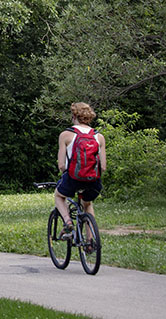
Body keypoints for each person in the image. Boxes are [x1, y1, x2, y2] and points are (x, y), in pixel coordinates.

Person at [55, 102, 107, 238]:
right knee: (87, 204)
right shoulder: (99, 136)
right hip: (93, 181)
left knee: (59, 196)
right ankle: (90, 240)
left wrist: (66, 175)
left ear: (73, 116)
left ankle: (67, 222)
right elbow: (103, 166)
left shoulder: (66, 135)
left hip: (73, 178)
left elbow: (61, 165)